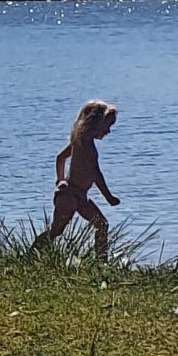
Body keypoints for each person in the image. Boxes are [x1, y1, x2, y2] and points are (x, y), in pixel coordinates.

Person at [33, 99, 121, 256]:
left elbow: (60, 158)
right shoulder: (86, 147)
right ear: (95, 123)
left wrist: (60, 178)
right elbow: (96, 174)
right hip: (69, 196)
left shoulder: (78, 141)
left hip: (80, 195)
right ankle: (30, 254)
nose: (108, 131)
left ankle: (101, 260)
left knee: (101, 224)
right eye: (107, 126)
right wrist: (108, 197)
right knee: (56, 231)